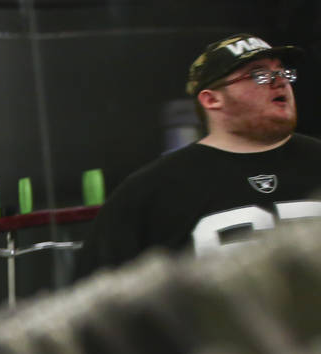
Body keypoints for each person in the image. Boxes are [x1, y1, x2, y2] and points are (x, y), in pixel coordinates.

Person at [76, 33, 321, 278]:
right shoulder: (151, 191)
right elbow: (97, 298)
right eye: (258, 74)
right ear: (211, 99)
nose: (279, 82)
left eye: (281, 72)